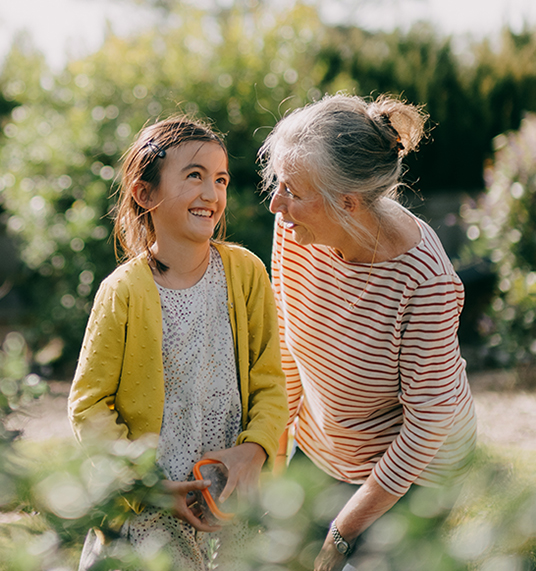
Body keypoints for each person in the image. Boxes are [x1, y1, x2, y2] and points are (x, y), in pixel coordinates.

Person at [259, 93, 477, 571]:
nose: (277, 203)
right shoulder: (296, 228)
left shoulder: (425, 281)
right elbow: (290, 346)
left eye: (292, 191)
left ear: (348, 203)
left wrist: (341, 536)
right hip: (326, 446)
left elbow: (426, 427)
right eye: (278, 183)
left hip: (417, 468)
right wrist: (275, 458)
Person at [68, 115, 288, 570]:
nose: (211, 194)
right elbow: (89, 406)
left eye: (220, 179)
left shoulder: (246, 274)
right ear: (145, 194)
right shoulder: (123, 291)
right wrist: (143, 486)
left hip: (232, 504)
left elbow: (269, 382)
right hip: (153, 513)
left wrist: (254, 450)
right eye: (194, 176)